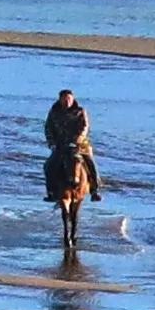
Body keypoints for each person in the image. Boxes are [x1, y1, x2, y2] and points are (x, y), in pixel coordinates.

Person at [39, 88, 98, 262]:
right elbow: (48, 128)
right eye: (64, 99)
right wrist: (52, 143)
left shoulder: (80, 111)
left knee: (90, 163)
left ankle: (95, 188)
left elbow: (84, 127)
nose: (67, 102)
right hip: (60, 146)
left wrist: (77, 140)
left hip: (79, 145)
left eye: (69, 99)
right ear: (60, 99)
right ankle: (51, 192)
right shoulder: (54, 112)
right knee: (49, 165)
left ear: (73, 99)